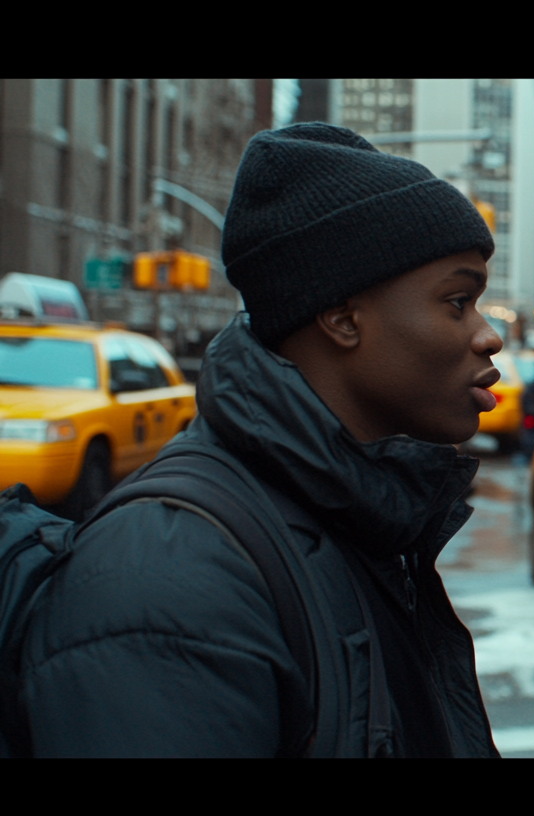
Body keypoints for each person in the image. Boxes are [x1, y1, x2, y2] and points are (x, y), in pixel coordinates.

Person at [18, 124, 502, 757]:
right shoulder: (169, 580)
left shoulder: (366, 521)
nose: (489, 335)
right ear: (342, 318)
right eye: (458, 301)